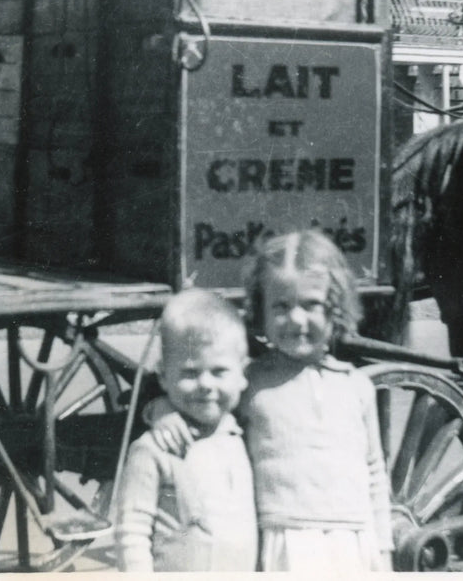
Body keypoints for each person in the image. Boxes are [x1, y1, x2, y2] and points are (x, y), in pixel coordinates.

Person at [151, 230, 393, 573]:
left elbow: (375, 472)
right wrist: (163, 412)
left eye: (311, 304)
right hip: (283, 543)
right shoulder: (250, 381)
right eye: (281, 306)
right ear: (261, 310)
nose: (296, 319)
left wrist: (383, 551)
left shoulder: (357, 387)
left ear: (335, 308)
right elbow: (201, 410)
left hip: (353, 542)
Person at [115, 290, 258, 572]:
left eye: (218, 371)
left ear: (243, 374)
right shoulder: (153, 449)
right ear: (164, 377)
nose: (205, 383)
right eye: (190, 373)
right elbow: (132, 532)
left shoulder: (243, 435)